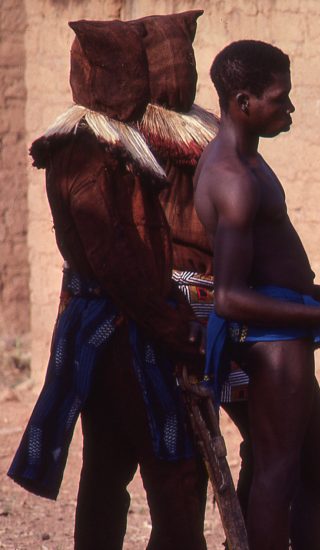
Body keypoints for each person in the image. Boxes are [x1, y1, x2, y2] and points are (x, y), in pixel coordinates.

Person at [8, 16, 208, 550]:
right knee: (173, 471)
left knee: (109, 465)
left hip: (110, 325)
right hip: (120, 330)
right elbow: (117, 259)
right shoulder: (89, 152)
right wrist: (171, 325)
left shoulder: (103, 143)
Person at [194, 40, 320, 550]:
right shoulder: (233, 179)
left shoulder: (249, 159)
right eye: (281, 99)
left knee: (319, 473)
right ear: (243, 101)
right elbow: (230, 297)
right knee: (280, 472)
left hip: (285, 324)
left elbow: (266, 259)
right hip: (269, 339)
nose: (291, 108)